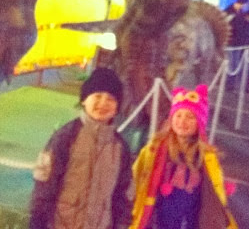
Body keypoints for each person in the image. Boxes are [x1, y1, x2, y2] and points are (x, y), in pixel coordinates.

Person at [29, 67, 132, 229]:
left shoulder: (120, 148)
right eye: (97, 96)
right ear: (84, 100)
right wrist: (38, 222)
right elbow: (45, 184)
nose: (103, 103)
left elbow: (122, 194)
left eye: (111, 98)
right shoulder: (66, 136)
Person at [130, 85, 237, 229]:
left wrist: (221, 192)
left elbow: (213, 186)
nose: (182, 121)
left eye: (190, 117)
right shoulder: (155, 150)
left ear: (200, 123)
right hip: (159, 220)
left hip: (191, 221)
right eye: (178, 115)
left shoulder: (206, 156)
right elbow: (138, 174)